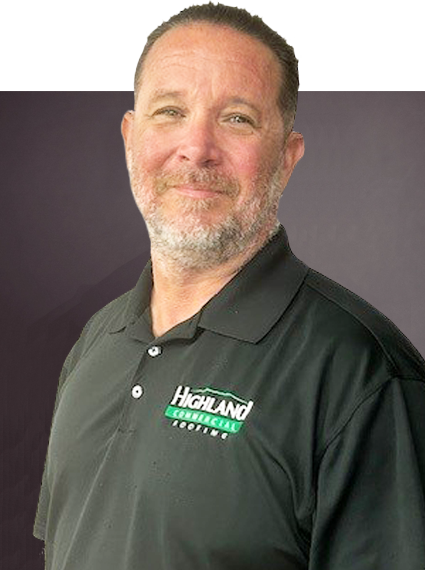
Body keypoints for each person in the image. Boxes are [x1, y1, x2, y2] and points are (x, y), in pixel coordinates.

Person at [33, 2, 425, 569]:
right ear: (129, 136)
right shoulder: (96, 343)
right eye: (169, 111)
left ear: (287, 158)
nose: (197, 148)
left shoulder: (364, 378)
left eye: (237, 118)